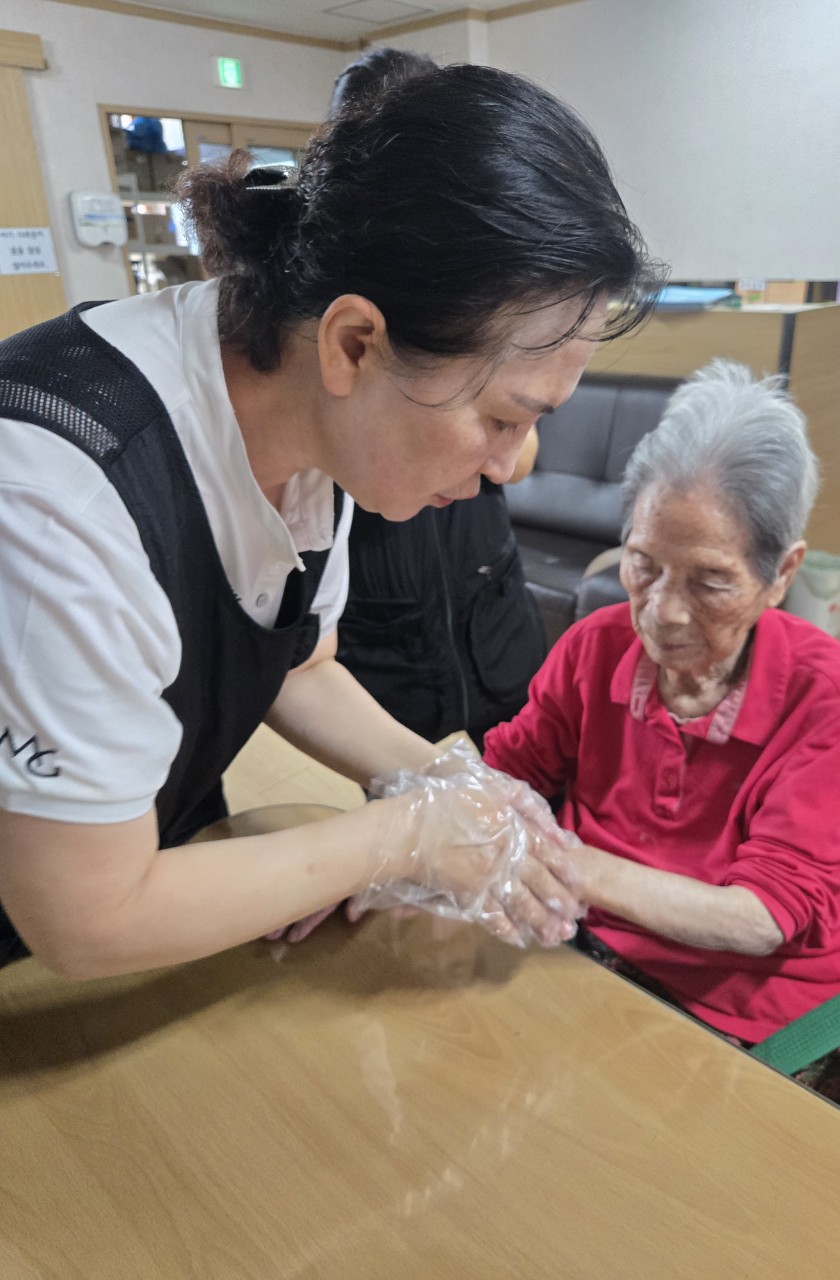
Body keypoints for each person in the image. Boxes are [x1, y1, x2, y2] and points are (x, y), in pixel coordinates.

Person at [0, 65, 662, 977]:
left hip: (149, 854)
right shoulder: (59, 497)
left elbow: (298, 661)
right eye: (502, 418)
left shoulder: (309, 411)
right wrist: (400, 837)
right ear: (354, 343)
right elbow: (85, 920)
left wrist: (448, 783)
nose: (507, 466)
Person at [484, 361, 840, 1044]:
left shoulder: (831, 695)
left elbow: (762, 918)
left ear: (781, 574)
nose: (663, 613)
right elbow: (508, 770)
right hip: (583, 946)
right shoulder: (594, 647)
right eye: (644, 564)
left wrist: (567, 865)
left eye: (710, 581)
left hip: (750, 1003)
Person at [330, 49, 547, 747]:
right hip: (386, 626)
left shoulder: (494, 281)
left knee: (523, 766)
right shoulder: (332, 303)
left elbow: (520, 459)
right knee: (402, 775)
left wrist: (491, 429)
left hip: (488, 601)